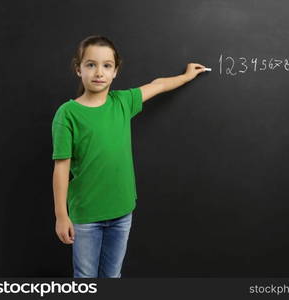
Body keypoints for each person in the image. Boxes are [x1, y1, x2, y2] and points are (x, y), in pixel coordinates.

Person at [51, 35, 207, 278]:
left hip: (122, 212)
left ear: (115, 71)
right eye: (90, 64)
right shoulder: (68, 113)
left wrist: (186, 76)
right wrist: (61, 216)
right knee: (85, 277)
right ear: (77, 69)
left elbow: (159, 85)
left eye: (107, 65)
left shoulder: (122, 102)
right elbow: (61, 168)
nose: (98, 72)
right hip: (86, 216)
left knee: (112, 276)